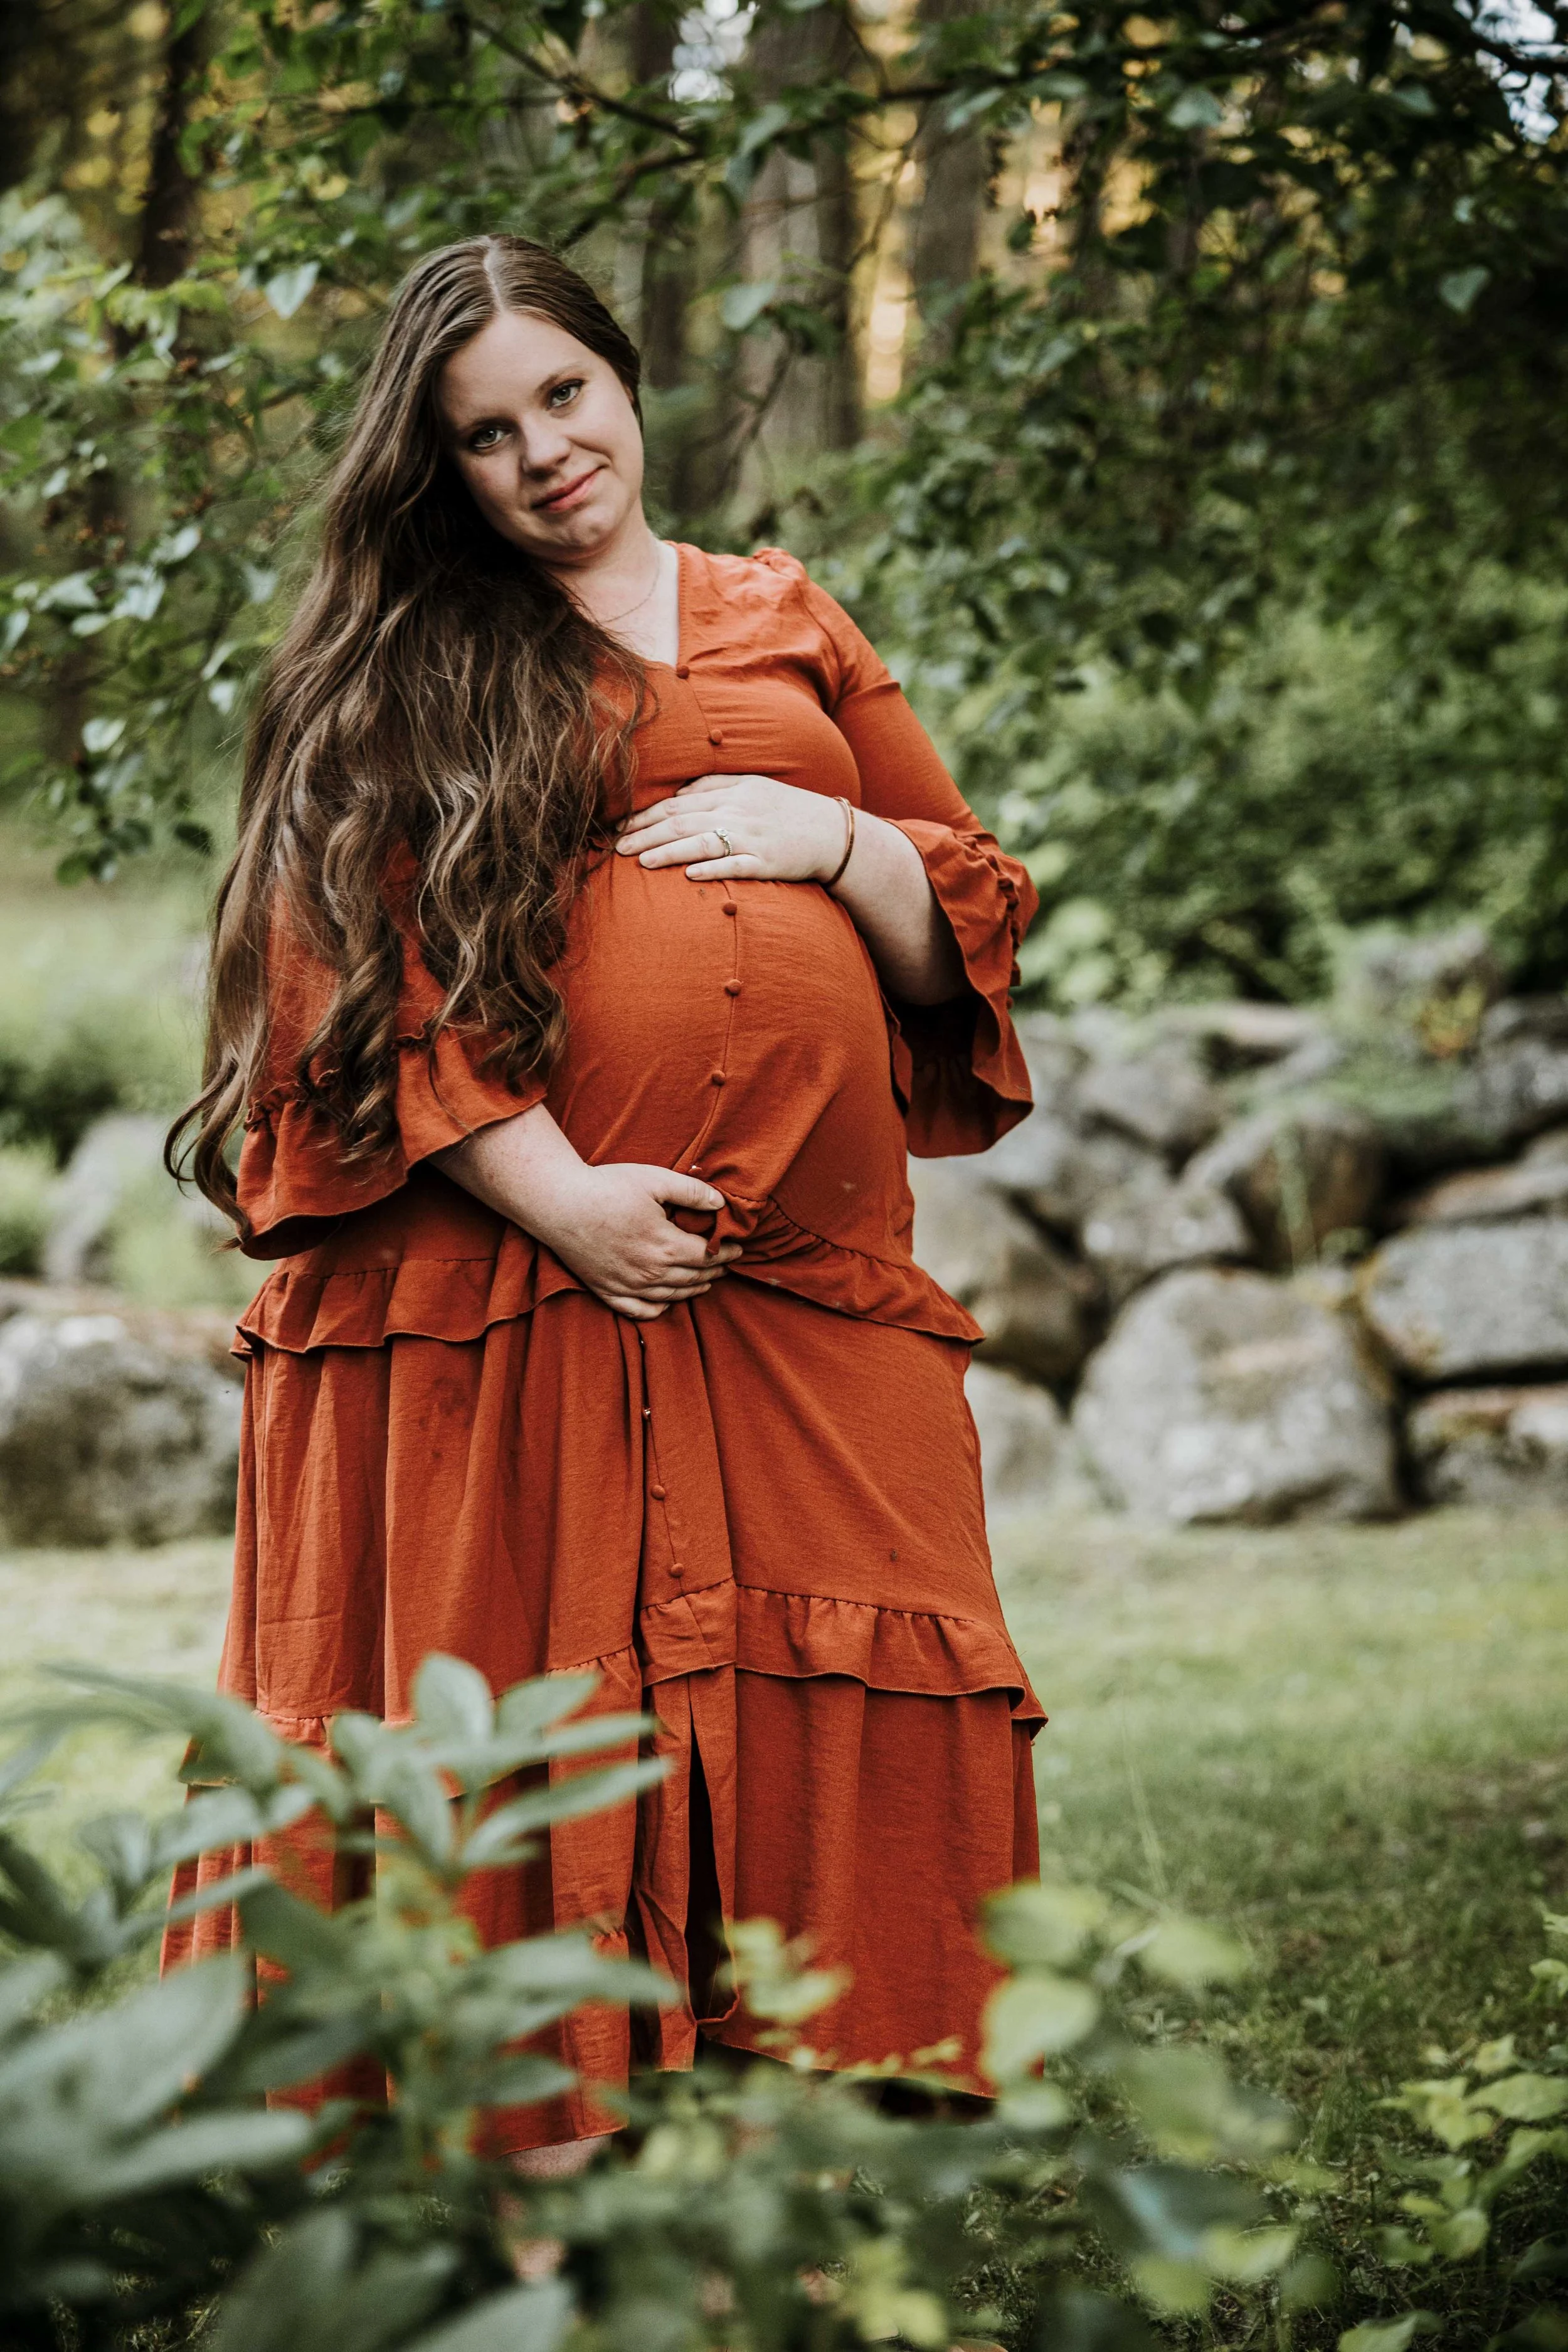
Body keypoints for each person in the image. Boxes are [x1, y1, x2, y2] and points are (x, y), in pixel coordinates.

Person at [165, 233, 1045, 2167]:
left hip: (802, 1286)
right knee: (544, 1678)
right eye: (485, 434)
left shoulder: (783, 612)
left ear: (624, 379)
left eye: (564, 394)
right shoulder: (409, 654)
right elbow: (341, 951)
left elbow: (967, 898)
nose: (545, 454)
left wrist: (838, 842)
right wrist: (555, 1194)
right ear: (438, 468)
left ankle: (791, 2137)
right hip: (519, 1273)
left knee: (833, 1646)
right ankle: (520, 2162)